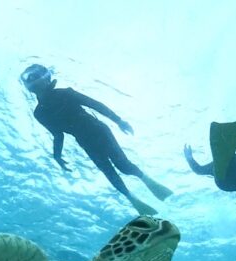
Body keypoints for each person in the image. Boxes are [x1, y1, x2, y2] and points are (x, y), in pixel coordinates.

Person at [20, 64, 173, 215]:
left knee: (123, 166)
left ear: (46, 79)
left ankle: (145, 179)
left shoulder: (65, 94)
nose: (33, 81)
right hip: (85, 141)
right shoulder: (40, 113)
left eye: (35, 76)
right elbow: (58, 134)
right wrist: (57, 155)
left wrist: (118, 120)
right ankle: (131, 197)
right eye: (30, 78)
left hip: (98, 131)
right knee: (109, 172)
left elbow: (94, 105)